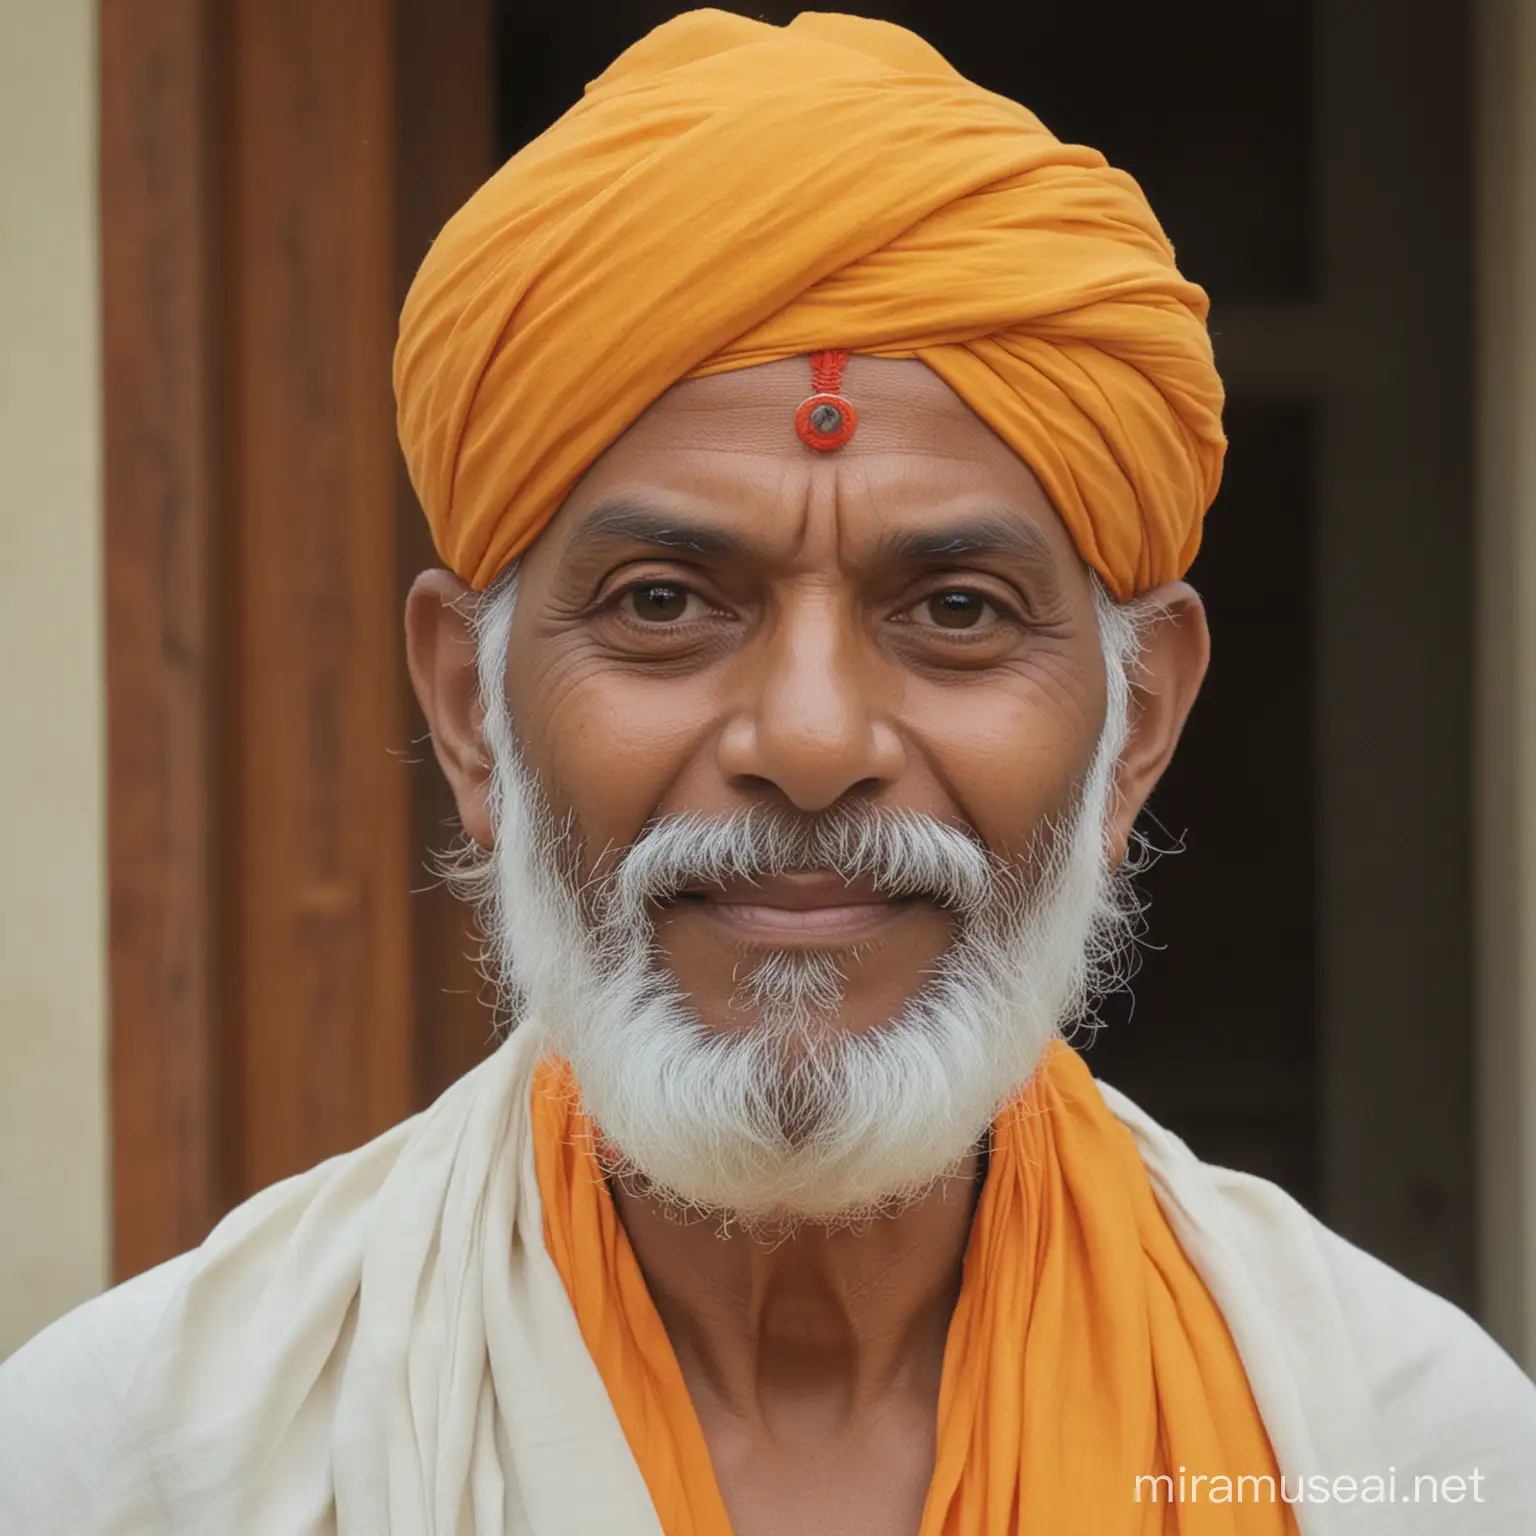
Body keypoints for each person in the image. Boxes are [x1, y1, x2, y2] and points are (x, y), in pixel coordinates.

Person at [3, 11, 1532, 1534]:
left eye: (954, 612)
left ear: (1137, 728)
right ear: (472, 710)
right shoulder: (144, 1463)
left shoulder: (1396, 1452)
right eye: (663, 603)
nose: (808, 744)